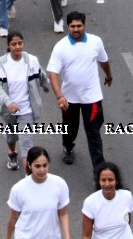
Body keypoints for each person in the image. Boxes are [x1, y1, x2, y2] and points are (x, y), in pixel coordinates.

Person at [47, 12, 112, 169]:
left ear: (84, 26)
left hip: (92, 98)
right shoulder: (60, 47)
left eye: (79, 26)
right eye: (73, 26)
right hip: (69, 99)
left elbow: (104, 60)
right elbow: (53, 74)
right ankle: (68, 147)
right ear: (68, 27)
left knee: (94, 134)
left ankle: (99, 170)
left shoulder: (95, 42)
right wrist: (59, 96)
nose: (76, 29)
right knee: (70, 129)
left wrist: (109, 76)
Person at [0, 31, 47, 170]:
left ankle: (29, 178)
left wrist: (45, 84)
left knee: (26, 143)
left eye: (20, 43)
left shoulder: (31, 60)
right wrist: (8, 102)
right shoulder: (1, 64)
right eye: (13, 44)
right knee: (11, 137)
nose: (17, 47)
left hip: (27, 109)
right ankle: (12, 152)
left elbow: (40, 73)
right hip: (9, 110)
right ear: (8, 46)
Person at [7, 147, 71, 239]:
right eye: (37, 166)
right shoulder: (18, 189)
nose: (42, 170)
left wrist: (67, 237)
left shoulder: (60, 184)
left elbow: (63, 213)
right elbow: (13, 217)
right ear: (29, 165)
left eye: (45, 165)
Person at [81, 162, 133, 239]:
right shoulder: (90, 203)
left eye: (110, 180)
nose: (107, 184)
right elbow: (86, 236)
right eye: (103, 180)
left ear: (116, 181)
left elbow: (127, 221)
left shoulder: (127, 196)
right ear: (99, 182)